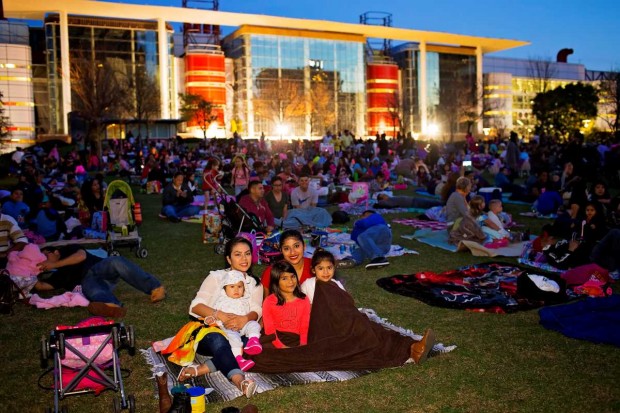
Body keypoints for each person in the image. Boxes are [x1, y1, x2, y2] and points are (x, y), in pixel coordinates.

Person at [179, 237, 259, 398]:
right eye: (238, 254)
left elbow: (257, 310)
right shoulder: (216, 277)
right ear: (229, 259)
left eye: (247, 254)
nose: (244, 259)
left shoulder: (254, 283)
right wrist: (220, 315)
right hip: (209, 332)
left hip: (238, 332)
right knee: (220, 340)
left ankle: (202, 369)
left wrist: (244, 319)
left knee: (249, 343)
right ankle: (239, 380)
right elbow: (195, 306)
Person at [34, 245, 166, 317]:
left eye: (45, 255)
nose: (43, 259)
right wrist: (29, 273)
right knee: (89, 286)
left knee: (116, 261)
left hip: (100, 268)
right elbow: (41, 286)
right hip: (89, 282)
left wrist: (54, 265)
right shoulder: (57, 276)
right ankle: (112, 306)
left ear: (55, 252)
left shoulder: (69, 250)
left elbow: (81, 256)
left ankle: (156, 288)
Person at [209, 270, 263, 372]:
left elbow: (250, 314)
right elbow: (215, 314)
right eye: (232, 287)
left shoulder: (245, 300)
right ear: (225, 288)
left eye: (239, 286)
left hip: (243, 326)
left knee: (254, 324)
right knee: (234, 339)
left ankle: (253, 341)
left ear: (244, 288)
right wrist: (217, 322)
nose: (236, 290)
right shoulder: (220, 301)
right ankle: (238, 359)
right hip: (229, 328)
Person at [262, 260, 311, 349]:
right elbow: (269, 330)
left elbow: (305, 326)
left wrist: (303, 345)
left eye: (293, 276)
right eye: (284, 278)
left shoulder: (304, 300)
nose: (291, 281)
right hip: (276, 339)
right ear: (276, 281)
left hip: (297, 338)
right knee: (262, 353)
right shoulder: (269, 302)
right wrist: (281, 346)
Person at [260, 230, 313, 297]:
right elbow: (265, 303)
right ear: (281, 250)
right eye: (286, 248)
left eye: (296, 246)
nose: (292, 252)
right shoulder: (271, 272)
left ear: (304, 246)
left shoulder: (315, 266)